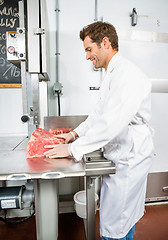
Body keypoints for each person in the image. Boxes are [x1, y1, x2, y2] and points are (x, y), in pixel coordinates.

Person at [44, 21, 154, 240]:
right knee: (121, 218)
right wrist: (73, 134)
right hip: (122, 154)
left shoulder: (127, 75)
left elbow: (111, 123)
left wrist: (73, 149)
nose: (87, 56)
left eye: (89, 49)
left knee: (116, 224)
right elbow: (97, 116)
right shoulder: (112, 74)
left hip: (130, 158)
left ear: (105, 43)